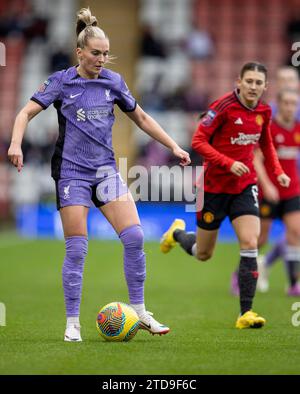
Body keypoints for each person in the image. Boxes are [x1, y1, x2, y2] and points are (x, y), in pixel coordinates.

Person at [7, 7, 191, 342]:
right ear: (80, 52)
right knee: (77, 249)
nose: (102, 59)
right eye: (96, 53)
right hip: (72, 173)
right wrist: (16, 143)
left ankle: (141, 311)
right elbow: (25, 112)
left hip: (105, 171)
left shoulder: (114, 81)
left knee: (134, 238)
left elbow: (143, 119)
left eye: (106, 54)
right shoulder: (62, 81)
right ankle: (72, 323)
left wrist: (174, 146)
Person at [160, 62, 290, 329]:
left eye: (258, 83)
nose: (253, 86)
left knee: (250, 241)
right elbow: (198, 141)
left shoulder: (264, 112)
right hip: (213, 190)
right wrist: (228, 163)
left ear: (266, 86)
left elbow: (265, 143)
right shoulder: (222, 107)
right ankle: (177, 234)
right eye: (249, 81)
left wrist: (277, 172)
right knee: (203, 253)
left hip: (244, 186)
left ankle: (246, 312)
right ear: (239, 82)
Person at [253, 89, 300, 295]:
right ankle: (240, 275)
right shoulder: (270, 129)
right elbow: (256, 159)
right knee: (260, 238)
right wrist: (268, 185)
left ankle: (292, 284)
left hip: (292, 191)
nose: (290, 107)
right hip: (269, 192)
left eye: (294, 103)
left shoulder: (298, 129)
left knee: (296, 232)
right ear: (279, 104)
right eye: (287, 103)